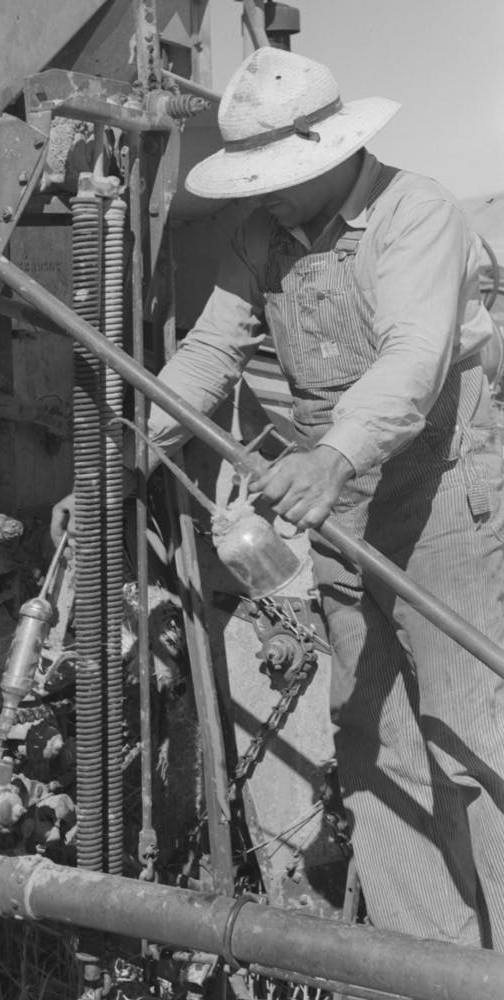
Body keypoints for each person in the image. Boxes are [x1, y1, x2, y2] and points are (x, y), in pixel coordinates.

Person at [53, 46, 504, 948]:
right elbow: (213, 352)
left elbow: (414, 363)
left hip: (438, 495)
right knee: (371, 736)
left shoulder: (416, 213)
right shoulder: (263, 236)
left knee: (468, 734)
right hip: (338, 510)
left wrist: (332, 456)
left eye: (282, 176)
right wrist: (124, 451)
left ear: (339, 147)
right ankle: (428, 958)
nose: (268, 194)